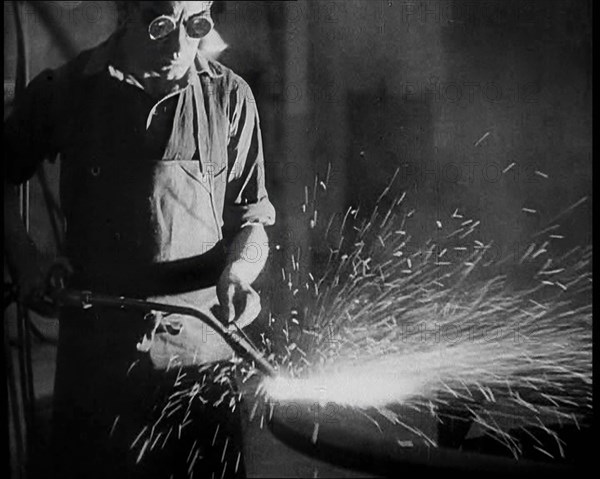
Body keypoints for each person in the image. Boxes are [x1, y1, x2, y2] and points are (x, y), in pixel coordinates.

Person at [4, 1, 275, 477]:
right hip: (97, 367)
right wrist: (27, 260)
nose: (178, 45)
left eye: (195, 24)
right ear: (126, 13)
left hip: (201, 365)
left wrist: (240, 269)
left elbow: (253, 223)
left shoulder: (229, 98)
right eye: (160, 24)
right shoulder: (67, 91)